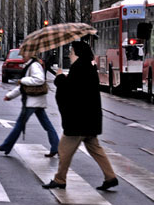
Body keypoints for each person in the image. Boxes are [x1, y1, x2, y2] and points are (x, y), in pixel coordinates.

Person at [42, 41, 119, 191]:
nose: (69, 55)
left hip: (79, 121)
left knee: (64, 148)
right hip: (90, 119)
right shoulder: (88, 67)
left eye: (71, 52)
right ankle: (110, 177)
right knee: (95, 149)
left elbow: (70, 90)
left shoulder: (79, 68)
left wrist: (59, 78)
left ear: (77, 53)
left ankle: (60, 179)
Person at [0, 51, 59, 157]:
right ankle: (56, 147)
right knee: (47, 125)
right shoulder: (30, 65)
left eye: (24, 54)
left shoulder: (34, 65)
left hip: (32, 101)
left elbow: (39, 80)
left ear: (30, 55)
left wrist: (23, 80)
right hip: (35, 101)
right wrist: (10, 95)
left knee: (19, 124)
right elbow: (23, 87)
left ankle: (6, 146)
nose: (22, 56)